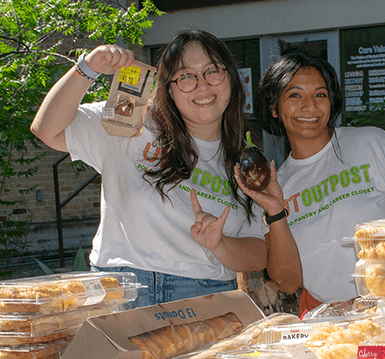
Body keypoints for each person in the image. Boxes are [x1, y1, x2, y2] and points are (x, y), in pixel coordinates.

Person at [30, 30, 295, 308]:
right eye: (186, 77)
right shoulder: (132, 119)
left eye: (212, 71)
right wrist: (88, 68)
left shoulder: (247, 161)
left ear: (230, 78)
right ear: (168, 87)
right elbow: (47, 130)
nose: (202, 86)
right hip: (122, 290)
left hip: (204, 294)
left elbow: (258, 253)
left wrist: (220, 244)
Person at [249, 41, 385, 315]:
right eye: (295, 96)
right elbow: (288, 283)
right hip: (332, 322)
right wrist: (276, 212)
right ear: (275, 107)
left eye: (320, 95)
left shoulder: (370, 143)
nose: (310, 107)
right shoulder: (275, 187)